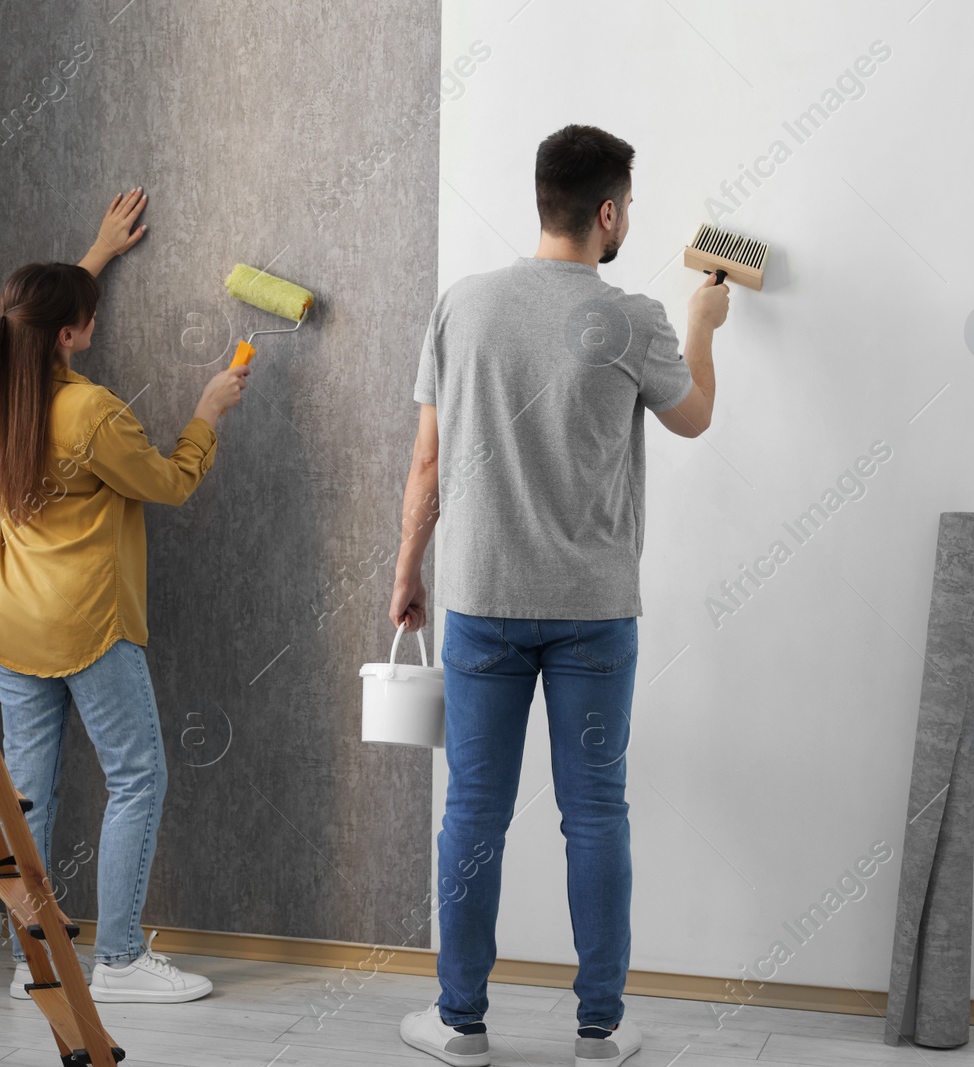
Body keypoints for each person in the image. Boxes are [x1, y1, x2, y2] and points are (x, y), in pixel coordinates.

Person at [389, 125, 730, 1067]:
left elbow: (426, 463)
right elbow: (694, 417)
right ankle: (599, 1027)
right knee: (596, 814)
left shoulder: (463, 307)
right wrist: (702, 328)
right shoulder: (633, 319)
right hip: (592, 614)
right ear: (608, 213)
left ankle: (460, 1025)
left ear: (544, 199)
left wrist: (407, 570)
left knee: (473, 813)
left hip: (482, 600)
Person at [0, 188, 249, 1004]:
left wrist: (93, 257)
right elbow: (168, 482)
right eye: (85, 318)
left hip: (12, 621)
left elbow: (38, 319)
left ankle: (34, 962)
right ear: (70, 335)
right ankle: (122, 960)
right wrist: (207, 411)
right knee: (138, 777)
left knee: (29, 793)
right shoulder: (92, 412)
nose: (91, 327)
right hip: (88, 624)